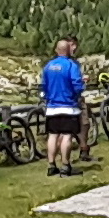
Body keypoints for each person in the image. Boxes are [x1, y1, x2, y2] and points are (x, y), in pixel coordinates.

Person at [40, 36, 86, 176]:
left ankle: (51, 165)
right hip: (68, 106)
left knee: (52, 135)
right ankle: (66, 165)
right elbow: (77, 85)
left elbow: (43, 86)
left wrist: (48, 97)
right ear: (68, 50)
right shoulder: (71, 66)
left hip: (52, 107)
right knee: (67, 136)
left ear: (56, 50)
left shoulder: (48, 66)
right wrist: (79, 91)